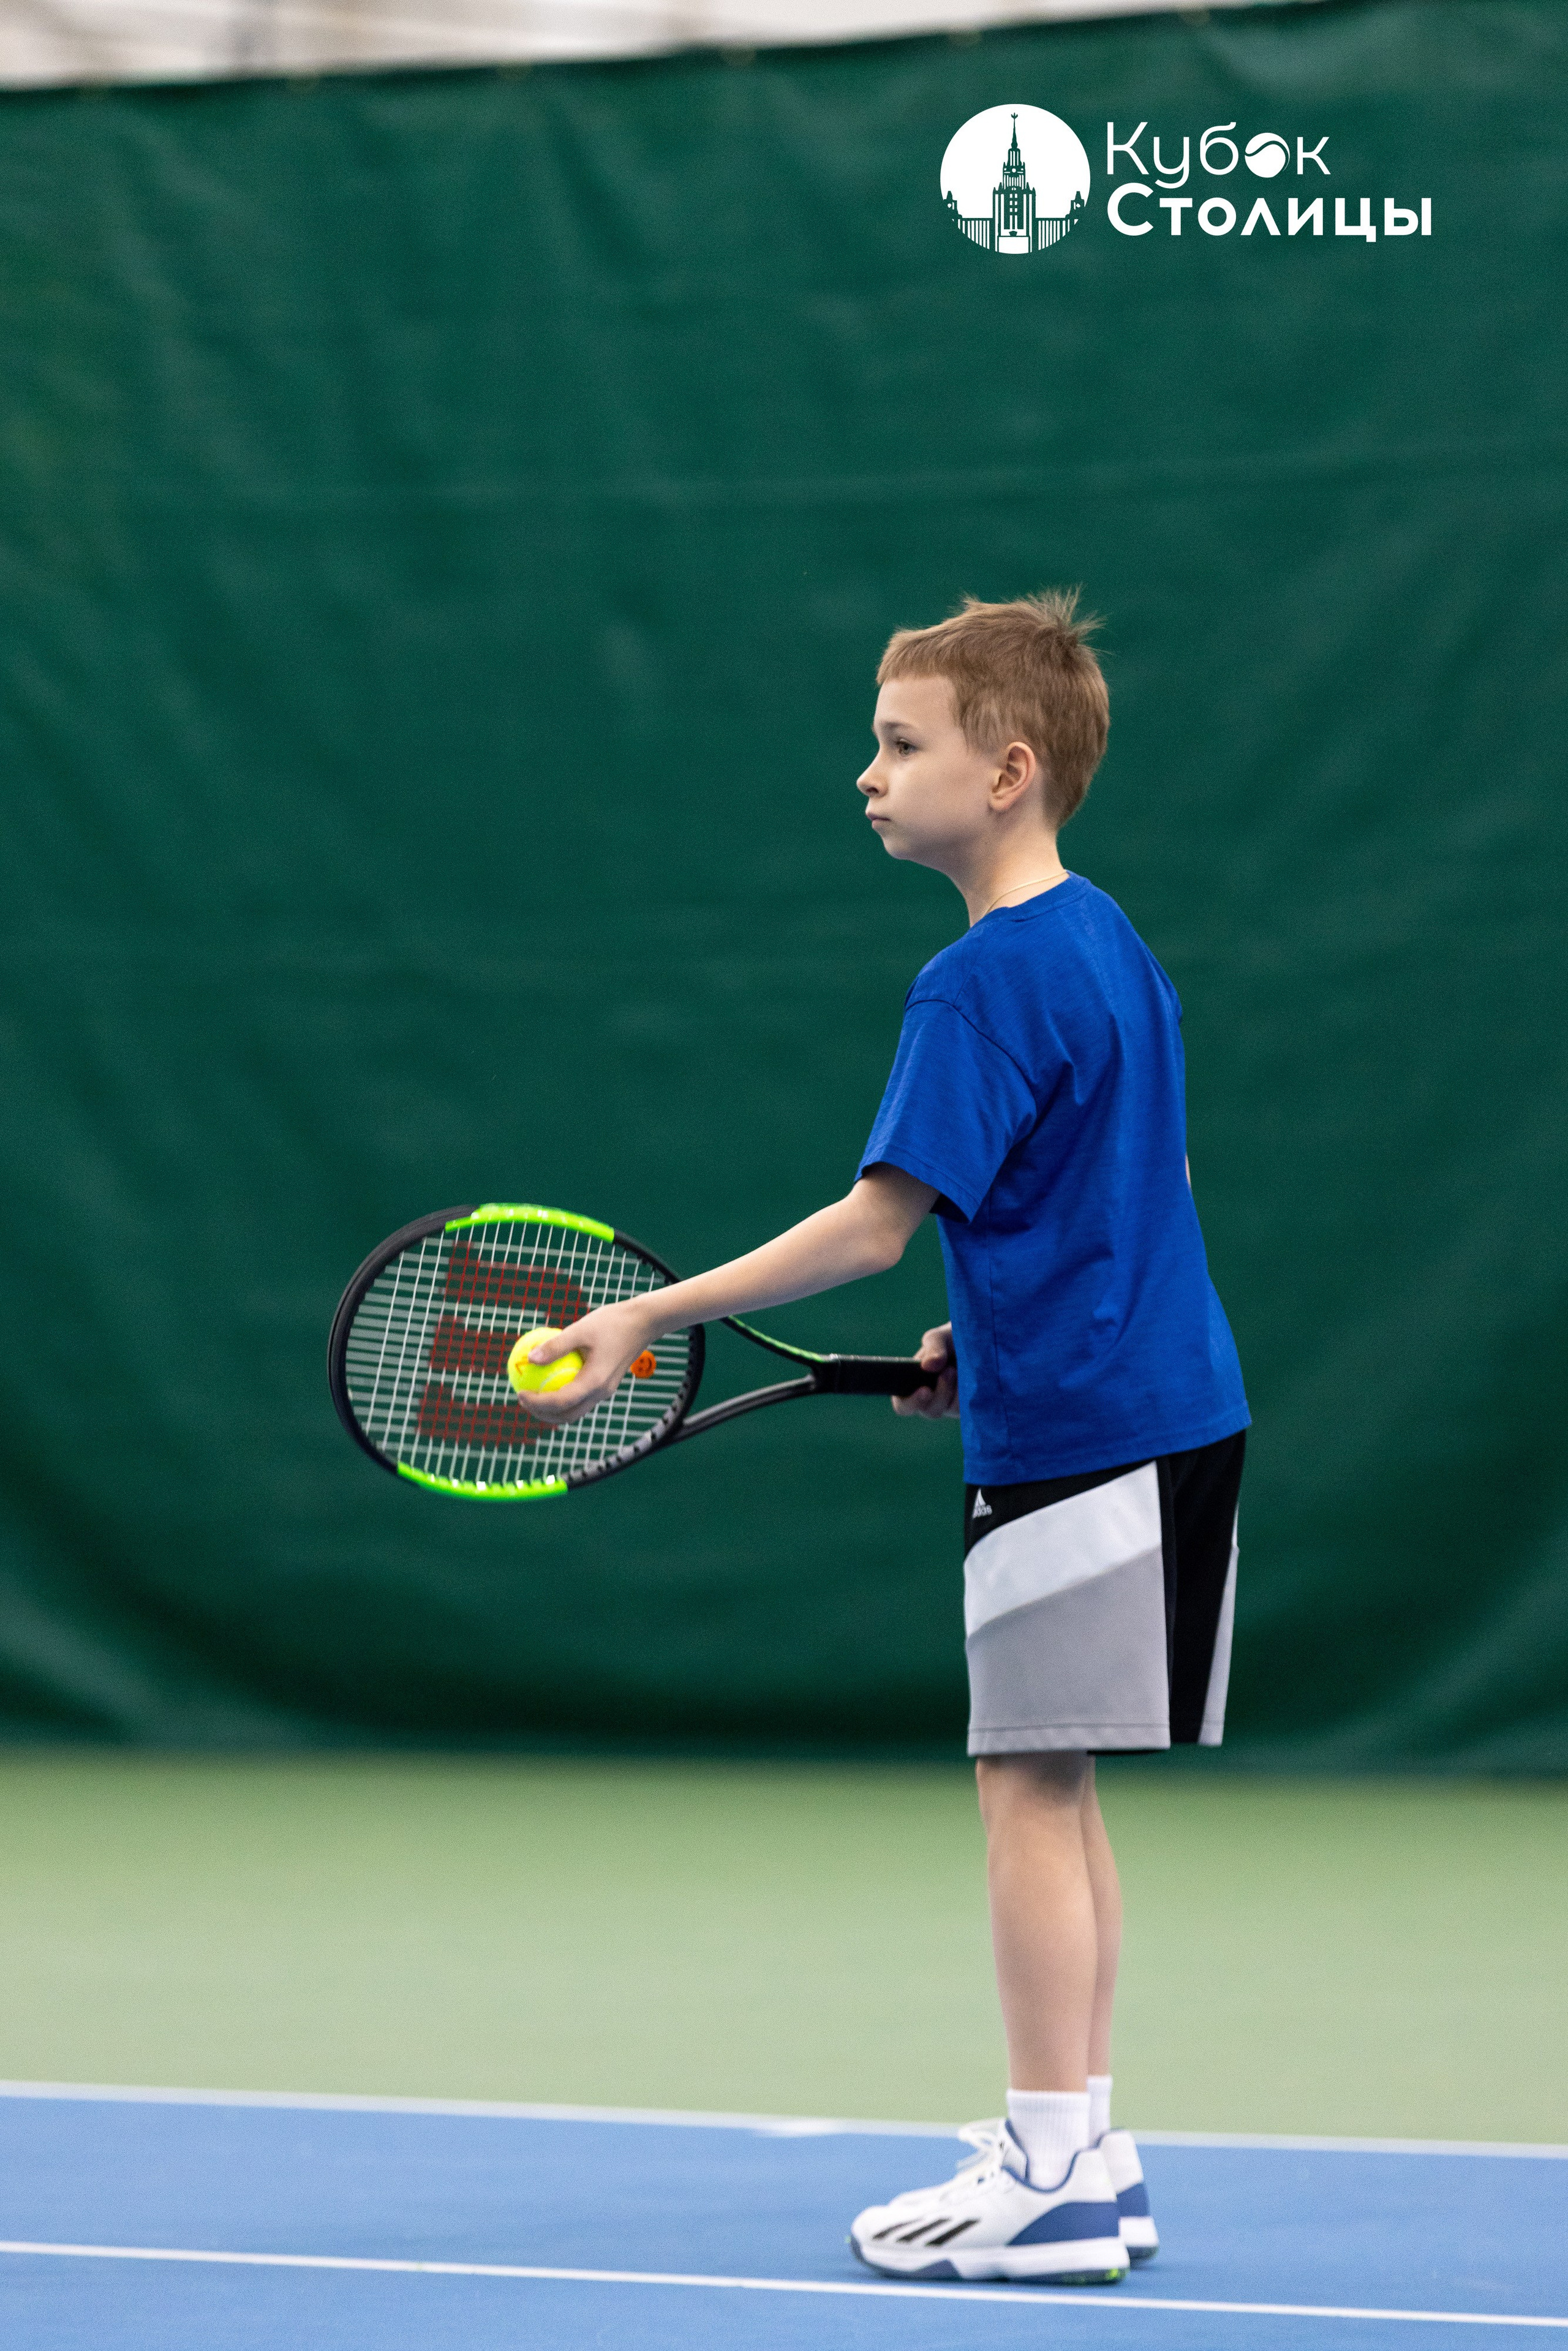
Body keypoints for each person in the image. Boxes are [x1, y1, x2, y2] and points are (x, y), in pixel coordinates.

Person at [521, 592, 1249, 2287]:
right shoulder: (1111, 944)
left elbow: (870, 1226)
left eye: (900, 745)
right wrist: (977, 1343)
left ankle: (1055, 2165)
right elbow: (1137, 1189)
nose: (869, 775)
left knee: (1026, 1794)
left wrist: (642, 1316)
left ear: (1006, 772)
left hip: (1081, 1434)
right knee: (1056, 1792)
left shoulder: (980, 980)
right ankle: (1090, 2146)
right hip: (1161, 1410)